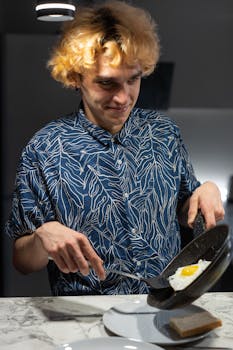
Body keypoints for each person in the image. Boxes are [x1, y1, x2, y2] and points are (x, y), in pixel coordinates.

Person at [5, 0, 224, 296]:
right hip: (85, 316)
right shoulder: (43, 148)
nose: (123, 98)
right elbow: (22, 261)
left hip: (164, 306)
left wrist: (205, 190)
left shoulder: (164, 133)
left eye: (133, 80)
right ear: (76, 78)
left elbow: (186, 207)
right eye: (106, 84)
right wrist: (42, 238)